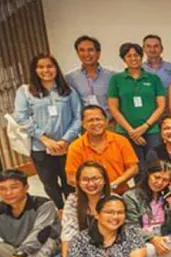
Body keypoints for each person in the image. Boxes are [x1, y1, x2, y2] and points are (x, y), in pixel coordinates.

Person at [15, 54, 82, 209]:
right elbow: (21, 117)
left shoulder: (68, 91)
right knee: (49, 183)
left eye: (50, 66)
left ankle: (72, 211)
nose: (46, 70)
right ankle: (59, 210)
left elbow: (78, 117)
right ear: (34, 70)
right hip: (41, 147)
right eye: (41, 67)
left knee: (70, 182)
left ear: (56, 68)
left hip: (67, 147)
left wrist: (65, 140)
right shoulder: (25, 91)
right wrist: (45, 139)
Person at [108, 42, 167, 169]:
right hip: (126, 131)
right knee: (135, 167)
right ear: (123, 59)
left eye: (136, 55)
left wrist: (145, 127)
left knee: (155, 166)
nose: (133, 58)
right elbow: (113, 108)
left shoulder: (153, 79)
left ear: (141, 57)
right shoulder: (116, 79)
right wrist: (131, 131)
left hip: (152, 130)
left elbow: (161, 106)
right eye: (129, 56)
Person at [65, 105, 139, 194]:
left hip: (120, 192)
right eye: (90, 120)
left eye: (98, 119)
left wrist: (114, 184)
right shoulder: (75, 147)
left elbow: (133, 168)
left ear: (106, 121)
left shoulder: (121, 141)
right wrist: (93, 188)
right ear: (83, 124)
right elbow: (71, 178)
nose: (95, 123)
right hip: (89, 195)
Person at [65, 35, 115, 118]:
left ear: (98, 52)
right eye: (82, 50)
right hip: (86, 126)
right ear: (77, 53)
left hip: (110, 123)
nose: (86, 54)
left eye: (90, 50)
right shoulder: (70, 78)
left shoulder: (112, 76)